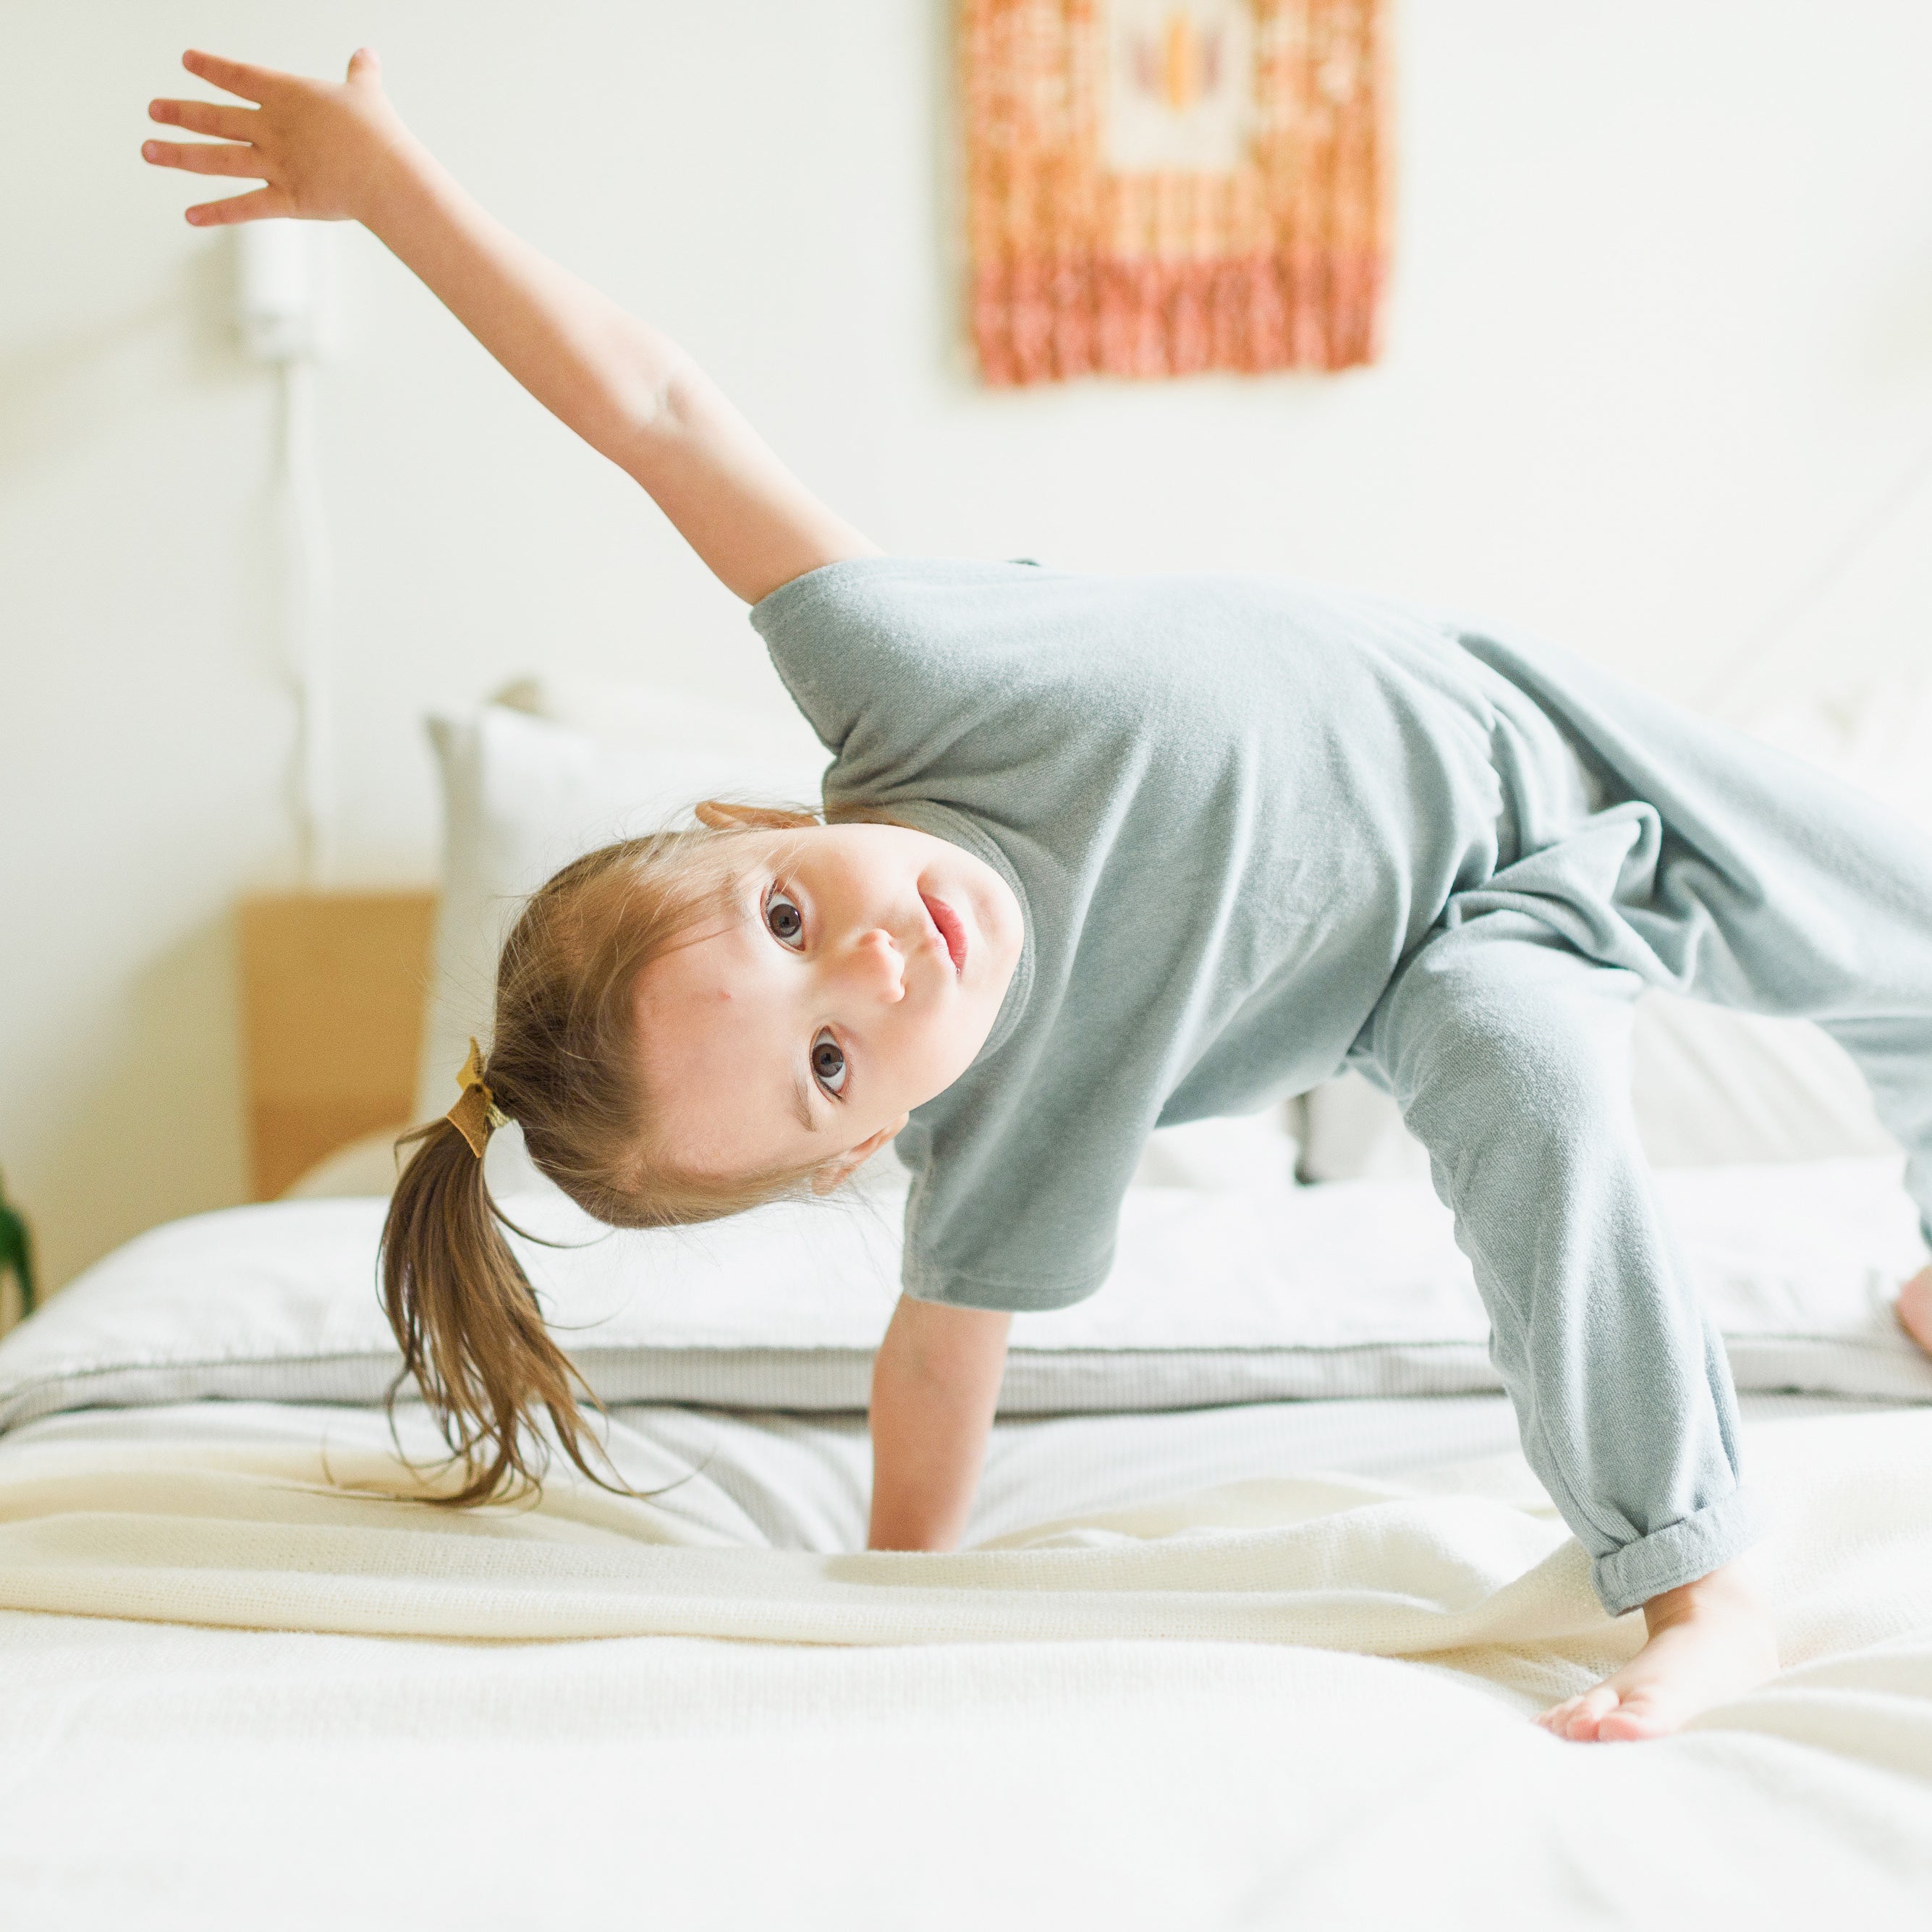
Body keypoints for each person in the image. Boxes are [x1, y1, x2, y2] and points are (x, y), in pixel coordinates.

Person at [145, 47, 1932, 1745]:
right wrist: (891, 1599)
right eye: (829, 1063)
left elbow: (659, 411)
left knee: (1903, 923)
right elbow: (937, 1365)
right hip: (1456, 964)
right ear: (862, 1148)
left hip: (1528, 732)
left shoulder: (907, 684)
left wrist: (395, 191)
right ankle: (1697, 1582)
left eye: (784, 920)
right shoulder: (1004, 1130)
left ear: (750, 816)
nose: (876, 968)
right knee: (1522, 1078)